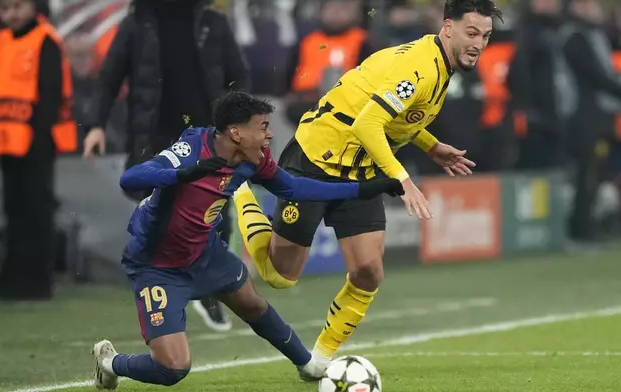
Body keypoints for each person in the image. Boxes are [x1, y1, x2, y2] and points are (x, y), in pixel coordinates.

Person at [231, 0, 502, 370]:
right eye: (472, 33)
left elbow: (395, 116)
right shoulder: (420, 68)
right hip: (315, 159)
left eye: (485, 36)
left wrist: (430, 145)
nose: (478, 43)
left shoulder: (439, 63)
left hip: (360, 169)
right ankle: (242, 192)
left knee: (368, 271)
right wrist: (404, 180)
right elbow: (367, 125)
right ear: (448, 27)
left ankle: (319, 360)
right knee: (280, 277)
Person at [91, 92, 403, 389]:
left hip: (204, 252)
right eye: (262, 127)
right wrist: (182, 174)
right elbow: (130, 178)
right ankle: (111, 363)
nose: (269, 135)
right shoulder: (192, 149)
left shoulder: (254, 160)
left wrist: (364, 189)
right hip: (157, 264)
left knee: (252, 304)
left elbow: (293, 189)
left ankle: (308, 365)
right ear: (236, 133)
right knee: (173, 368)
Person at [81, 0, 250, 331]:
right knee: (159, 213)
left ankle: (210, 290)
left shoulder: (213, 22)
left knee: (216, 212)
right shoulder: (137, 23)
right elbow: (110, 75)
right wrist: (96, 124)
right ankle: (162, 291)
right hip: (156, 136)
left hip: (207, 134)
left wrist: (242, 121)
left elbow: (238, 75)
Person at [0, 0, 77, 300]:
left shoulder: (45, 40)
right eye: (4, 9)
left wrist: (38, 136)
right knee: (14, 210)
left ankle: (37, 280)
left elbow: (50, 94)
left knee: (36, 211)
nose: (11, 15)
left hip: (36, 142)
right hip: (7, 141)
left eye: (17, 7)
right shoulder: (6, 39)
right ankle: (14, 274)